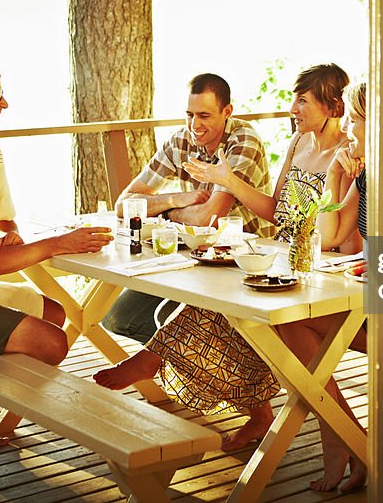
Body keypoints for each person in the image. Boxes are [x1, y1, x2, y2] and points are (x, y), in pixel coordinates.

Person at [94, 64, 351, 452]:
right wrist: (207, 191)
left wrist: (222, 187)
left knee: (209, 314)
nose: (292, 109)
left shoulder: (344, 154)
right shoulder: (299, 144)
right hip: (269, 256)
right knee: (178, 313)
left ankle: (153, 359)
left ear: (332, 106)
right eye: (294, 99)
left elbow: (331, 235)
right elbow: (278, 211)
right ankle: (261, 412)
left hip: (295, 264)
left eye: (302, 100)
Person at [0, 58, 113, 447]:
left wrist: (13, 234)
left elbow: (6, 221)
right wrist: (58, 244)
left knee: (58, 313)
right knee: (51, 342)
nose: (4, 104)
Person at [101, 73, 273, 345]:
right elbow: (125, 204)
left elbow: (208, 218)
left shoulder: (242, 141)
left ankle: (224, 357)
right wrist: (174, 200)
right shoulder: (181, 141)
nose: (194, 125)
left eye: (204, 115)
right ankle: (200, 358)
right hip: (192, 258)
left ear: (227, 111)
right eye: (189, 114)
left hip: (242, 262)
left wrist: (167, 214)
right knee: (118, 319)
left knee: (164, 321)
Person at [282, 81, 369, 492]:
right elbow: (330, 235)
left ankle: (342, 442)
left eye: (354, 121)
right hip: (371, 297)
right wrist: (335, 175)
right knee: (289, 327)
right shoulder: (365, 178)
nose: (347, 130)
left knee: (292, 327)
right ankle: (346, 439)